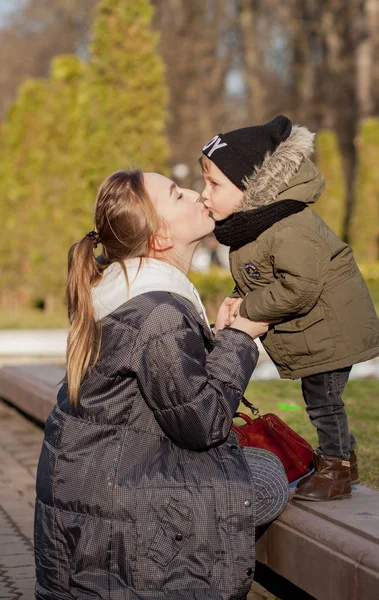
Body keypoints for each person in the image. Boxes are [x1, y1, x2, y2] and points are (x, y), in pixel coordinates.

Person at [34, 169, 289, 600]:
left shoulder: (126, 291)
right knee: (266, 477)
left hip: (90, 504)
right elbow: (201, 424)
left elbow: (166, 394)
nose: (193, 194)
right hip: (113, 520)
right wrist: (242, 339)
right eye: (176, 194)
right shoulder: (158, 312)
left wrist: (218, 336)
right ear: (160, 240)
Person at [200, 115, 379, 502]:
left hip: (333, 331)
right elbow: (264, 275)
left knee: (324, 402)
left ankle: (335, 468)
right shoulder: (260, 225)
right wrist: (243, 297)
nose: (204, 193)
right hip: (319, 329)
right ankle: (344, 459)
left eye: (213, 184)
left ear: (250, 187)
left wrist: (249, 307)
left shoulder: (290, 227)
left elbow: (300, 286)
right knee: (320, 399)